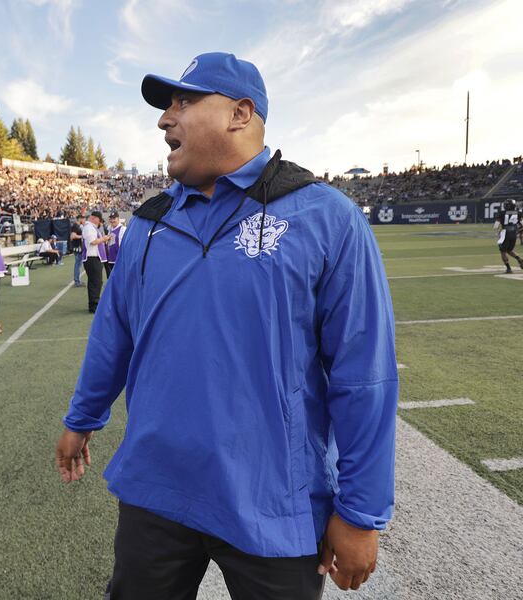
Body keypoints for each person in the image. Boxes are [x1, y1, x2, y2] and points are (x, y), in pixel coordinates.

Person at [55, 52, 398, 599]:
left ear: (240, 113)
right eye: (167, 106)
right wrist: (82, 417)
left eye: (183, 102)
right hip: (155, 489)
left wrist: (360, 513)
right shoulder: (147, 225)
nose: (165, 119)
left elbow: (365, 374)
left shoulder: (325, 217)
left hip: (274, 500)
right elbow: (113, 334)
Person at [81, 210, 110, 313]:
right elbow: (93, 241)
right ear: (94, 218)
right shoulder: (89, 227)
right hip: (92, 257)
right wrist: (104, 238)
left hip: (94, 257)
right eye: (99, 220)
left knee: (96, 282)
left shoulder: (91, 227)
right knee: (95, 282)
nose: (99, 222)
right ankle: (94, 305)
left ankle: (94, 303)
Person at [494, 199, 523, 273]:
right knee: (509, 250)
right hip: (513, 234)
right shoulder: (518, 213)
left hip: (505, 233)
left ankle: (508, 268)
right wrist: (518, 231)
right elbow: (522, 224)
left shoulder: (502, 213)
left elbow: (496, 226)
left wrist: (498, 232)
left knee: (502, 251)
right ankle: (519, 259)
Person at [104, 211, 126, 276]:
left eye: (114, 218)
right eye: (111, 218)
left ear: (118, 219)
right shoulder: (110, 229)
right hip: (111, 258)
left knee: (119, 277)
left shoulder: (123, 228)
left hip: (119, 259)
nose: (112, 220)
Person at [70, 214, 86, 287]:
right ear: (80, 219)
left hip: (78, 247)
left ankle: (77, 280)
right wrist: (82, 236)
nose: (84, 220)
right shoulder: (75, 226)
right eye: (83, 219)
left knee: (78, 264)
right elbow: (72, 236)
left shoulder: (77, 226)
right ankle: (77, 281)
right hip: (77, 247)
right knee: (78, 265)